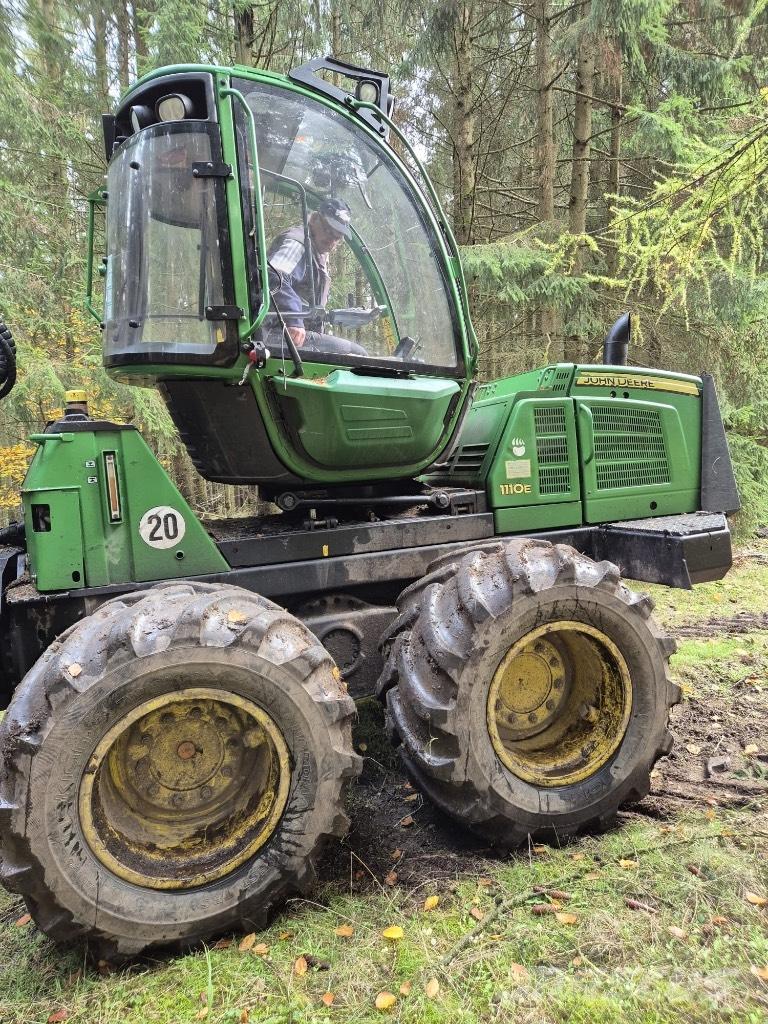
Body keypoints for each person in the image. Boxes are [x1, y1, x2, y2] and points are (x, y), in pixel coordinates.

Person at [266, 198, 367, 357]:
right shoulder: (297, 244)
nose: (332, 241)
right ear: (313, 219)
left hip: (290, 332)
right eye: (328, 230)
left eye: (337, 237)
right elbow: (273, 277)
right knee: (358, 354)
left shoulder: (317, 251)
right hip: (274, 332)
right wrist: (294, 319)